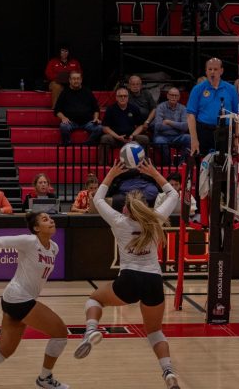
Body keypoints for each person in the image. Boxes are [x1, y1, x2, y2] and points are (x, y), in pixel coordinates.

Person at [73, 159, 181, 389]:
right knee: (154, 332)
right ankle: (169, 372)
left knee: (95, 298)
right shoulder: (155, 219)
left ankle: (91, 331)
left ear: (125, 208)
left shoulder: (119, 222)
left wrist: (111, 174)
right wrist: (154, 172)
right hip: (153, 281)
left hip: (129, 278)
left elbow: (98, 199)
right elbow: (173, 195)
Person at [0, 212, 70, 389]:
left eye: (50, 218)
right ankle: (45, 378)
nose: (51, 220)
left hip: (15, 299)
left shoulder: (54, 248)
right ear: (36, 228)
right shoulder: (29, 242)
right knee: (60, 333)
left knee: (3, 352)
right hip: (18, 298)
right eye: (45, 220)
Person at [186, 57, 239, 156]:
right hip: (203, 131)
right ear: (206, 71)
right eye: (210, 69)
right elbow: (190, 115)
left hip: (225, 131)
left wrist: (237, 137)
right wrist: (194, 139)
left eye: (215, 69)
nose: (212, 72)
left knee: (224, 165)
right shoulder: (197, 89)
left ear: (221, 71)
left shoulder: (231, 89)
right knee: (203, 166)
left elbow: (238, 114)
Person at [100, 87, 149, 165]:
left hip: (131, 139)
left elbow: (140, 126)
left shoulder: (134, 108)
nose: (123, 98)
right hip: (115, 139)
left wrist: (133, 135)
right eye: (120, 96)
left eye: (125, 96)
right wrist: (117, 137)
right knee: (105, 138)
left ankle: (145, 164)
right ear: (116, 97)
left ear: (128, 97)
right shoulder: (110, 109)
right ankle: (102, 165)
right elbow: (105, 128)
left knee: (144, 139)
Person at [55, 71, 102, 145]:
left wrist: (96, 118)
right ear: (70, 80)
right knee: (63, 126)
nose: (76, 81)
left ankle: (87, 144)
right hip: (71, 122)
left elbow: (96, 108)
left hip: (87, 122)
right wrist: (63, 117)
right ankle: (68, 143)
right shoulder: (64, 93)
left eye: (78, 79)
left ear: (81, 80)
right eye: (74, 79)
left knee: (99, 128)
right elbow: (57, 110)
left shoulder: (87, 92)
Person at [152, 87, 191, 165]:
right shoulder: (160, 107)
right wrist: (177, 125)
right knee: (159, 141)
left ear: (179, 97)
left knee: (189, 138)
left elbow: (185, 126)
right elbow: (158, 126)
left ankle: (181, 163)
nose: (173, 97)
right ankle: (168, 163)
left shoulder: (183, 108)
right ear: (167, 96)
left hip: (178, 136)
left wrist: (169, 122)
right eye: (171, 95)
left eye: (176, 95)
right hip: (162, 136)